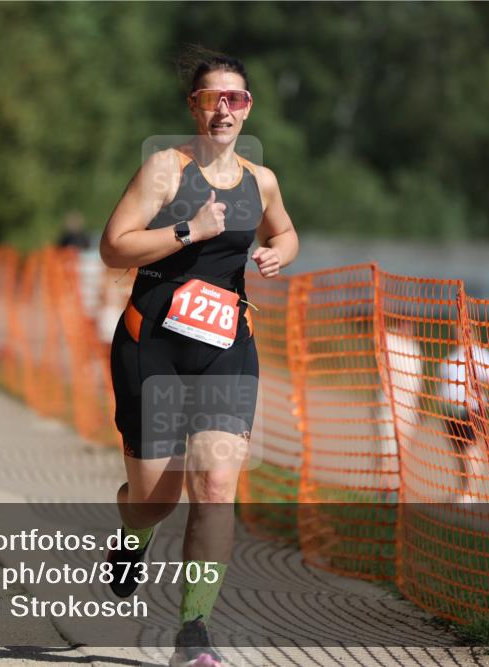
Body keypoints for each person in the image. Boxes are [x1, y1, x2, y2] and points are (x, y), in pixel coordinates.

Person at [99, 50, 298, 667]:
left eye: (235, 99)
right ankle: (133, 531)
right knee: (157, 498)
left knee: (214, 484)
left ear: (248, 109)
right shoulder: (165, 169)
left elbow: (285, 231)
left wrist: (279, 254)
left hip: (225, 349)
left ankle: (194, 632)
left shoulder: (260, 181)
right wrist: (189, 231)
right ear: (195, 105)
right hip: (152, 345)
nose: (224, 110)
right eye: (213, 98)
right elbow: (114, 247)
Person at [438, 339, 489, 503]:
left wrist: (479, 381)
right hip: (451, 411)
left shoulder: (479, 354)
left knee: (470, 450)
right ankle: (463, 489)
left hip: (471, 409)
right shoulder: (453, 354)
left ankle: (471, 492)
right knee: (459, 451)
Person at [374, 318, 423, 498]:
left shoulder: (415, 350)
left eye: (411, 323)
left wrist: (417, 411)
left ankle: (394, 491)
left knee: (401, 454)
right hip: (389, 406)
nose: (408, 326)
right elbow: (377, 335)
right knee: (387, 450)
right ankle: (383, 492)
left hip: (408, 410)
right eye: (405, 322)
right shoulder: (391, 340)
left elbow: (417, 384)